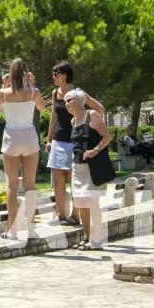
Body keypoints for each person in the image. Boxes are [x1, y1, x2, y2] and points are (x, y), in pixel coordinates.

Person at [0, 59, 46, 240]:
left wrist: (3, 86)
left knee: (11, 187)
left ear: (10, 74)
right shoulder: (33, 92)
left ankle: (12, 230)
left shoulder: (3, 93)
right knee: (30, 186)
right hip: (29, 138)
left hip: (11, 140)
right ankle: (31, 229)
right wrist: (33, 85)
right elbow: (42, 107)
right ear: (25, 73)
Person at [45, 61, 106, 228]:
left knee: (75, 181)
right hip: (58, 140)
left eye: (56, 73)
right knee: (58, 178)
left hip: (75, 141)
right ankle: (61, 215)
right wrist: (49, 139)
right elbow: (54, 117)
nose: (53, 76)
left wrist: (90, 128)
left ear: (65, 75)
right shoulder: (55, 93)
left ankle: (75, 215)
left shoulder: (78, 93)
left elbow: (99, 108)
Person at [66, 90, 112, 250]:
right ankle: (86, 237)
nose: (66, 104)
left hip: (91, 167)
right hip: (77, 167)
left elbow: (107, 136)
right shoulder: (73, 121)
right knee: (81, 204)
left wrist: (95, 150)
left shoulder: (91, 115)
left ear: (79, 100)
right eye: (65, 101)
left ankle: (97, 239)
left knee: (92, 203)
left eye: (69, 100)